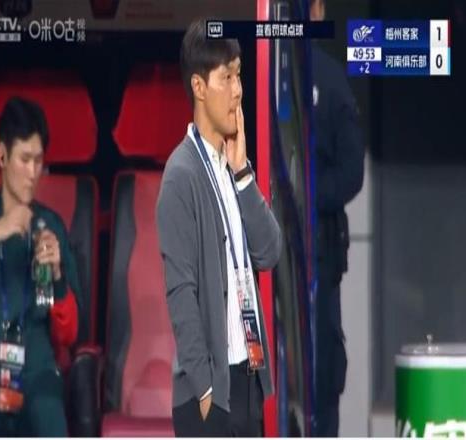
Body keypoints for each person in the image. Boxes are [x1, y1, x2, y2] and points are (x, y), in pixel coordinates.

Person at [157, 19, 282, 437]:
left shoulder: (232, 167)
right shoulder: (181, 175)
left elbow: (269, 252)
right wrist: (205, 389)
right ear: (198, 86)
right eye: (226, 77)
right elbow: (181, 292)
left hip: (246, 379)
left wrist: (244, 173)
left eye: (239, 75)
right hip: (209, 394)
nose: (238, 90)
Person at [0, 96, 80, 436]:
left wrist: (58, 277)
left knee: (48, 412)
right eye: (24, 160)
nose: (33, 173)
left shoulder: (51, 226)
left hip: (37, 375)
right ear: (2, 156)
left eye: (39, 161)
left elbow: (69, 334)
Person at [309, 0, 365, 436]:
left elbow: (351, 173)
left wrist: (304, 197)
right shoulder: (251, 77)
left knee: (323, 371)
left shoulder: (328, 80)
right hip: (266, 257)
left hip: (319, 258)